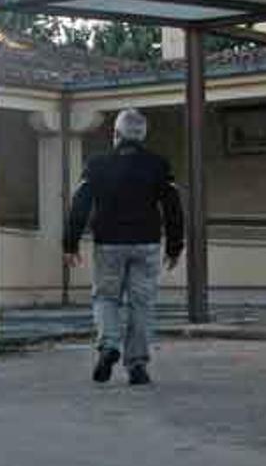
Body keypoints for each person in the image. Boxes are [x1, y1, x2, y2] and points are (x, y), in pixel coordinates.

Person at [64, 108, 184, 386]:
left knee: (106, 298)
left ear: (115, 134)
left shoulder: (97, 164)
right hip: (147, 243)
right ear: (142, 136)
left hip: (109, 243)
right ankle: (137, 365)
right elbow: (173, 207)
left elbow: (79, 204)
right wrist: (175, 246)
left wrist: (70, 244)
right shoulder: (158, 165)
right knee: (141, 304)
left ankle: (109, 346)